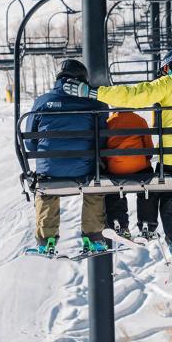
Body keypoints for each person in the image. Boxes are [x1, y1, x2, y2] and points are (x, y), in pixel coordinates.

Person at [62, 46, 172, 265]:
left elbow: (134, 95)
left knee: (168, 192)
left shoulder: (170, 83)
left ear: (171, 67)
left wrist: (94, 92)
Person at [25, 59, 109, 256]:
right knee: (95, 185)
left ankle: (46, 241)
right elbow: (103, 140)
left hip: (50, 170)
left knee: (46, 189)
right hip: (84, 169)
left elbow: (30, 143)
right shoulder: (95, 103)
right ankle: (94, 238)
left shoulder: (42, 102)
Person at [104, 109, 158, 240]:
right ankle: (147, 225)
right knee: (147, 189)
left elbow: (103, 149)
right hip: (140, 169)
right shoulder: (139, 120)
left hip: (115, 169)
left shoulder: (108, 123)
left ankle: (119, 224)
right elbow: (149, 149)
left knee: (114, 191)